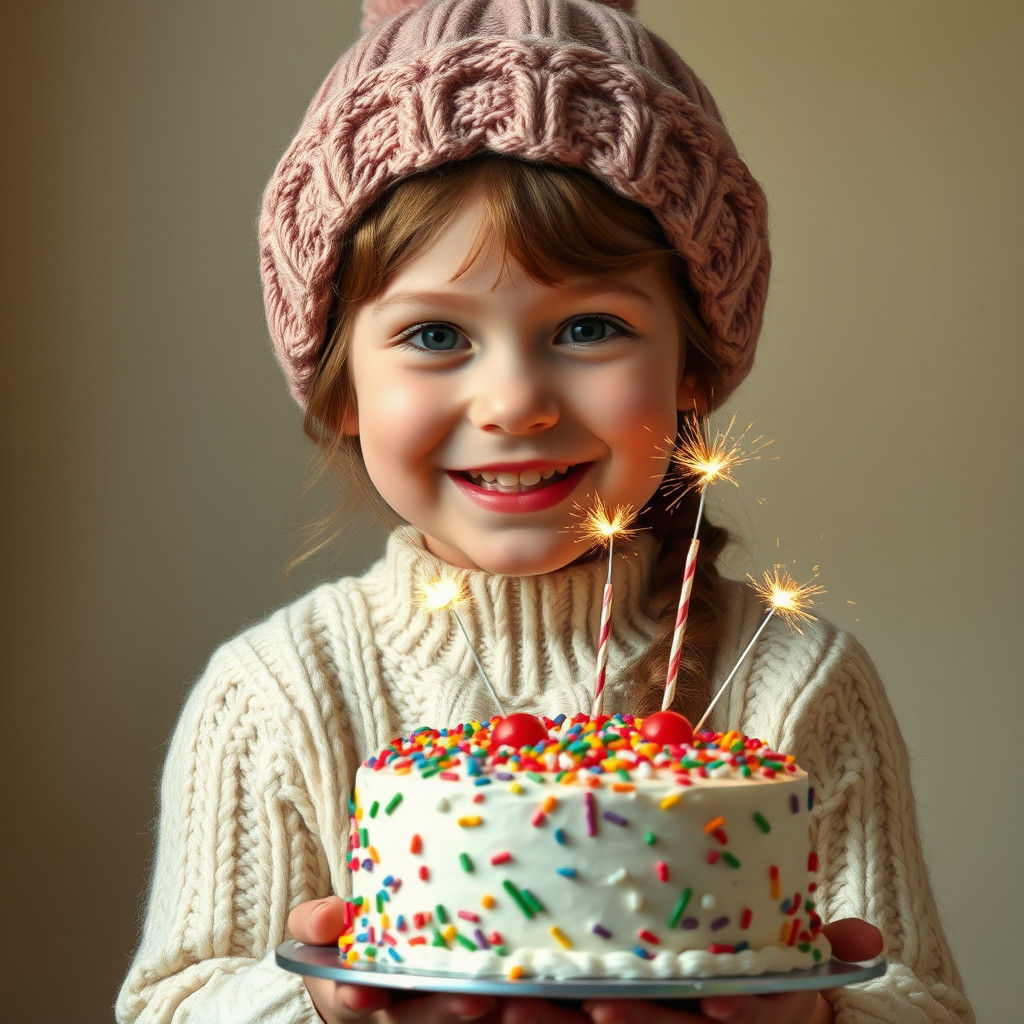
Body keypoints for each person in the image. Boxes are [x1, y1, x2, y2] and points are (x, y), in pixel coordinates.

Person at [117, 1, 975, 1022]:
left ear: (690, 368)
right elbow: (171, 1001)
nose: (514, 401)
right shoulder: (274, 695)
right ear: (339, 387)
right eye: (435, 335)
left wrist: (818, 1015)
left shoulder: (796, 683)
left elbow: (922, 1001)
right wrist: (320, 1007)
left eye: (588, 326)